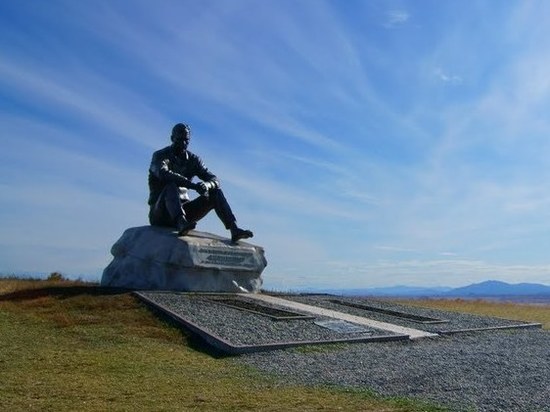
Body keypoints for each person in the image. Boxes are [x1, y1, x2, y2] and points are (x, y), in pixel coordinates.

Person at [148, 123, 253, 243]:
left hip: (185, 210)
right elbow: (163, 174)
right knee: (171, 185)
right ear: (172, 138)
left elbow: (214, 179)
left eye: (186, 140)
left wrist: (206, 185)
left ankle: (234, 229)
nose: (183, 143)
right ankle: (180, 223)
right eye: (180, 140)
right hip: (161, 213)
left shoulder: (193, 160)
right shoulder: (160, 156)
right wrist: (192, 185)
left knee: (215, 192)